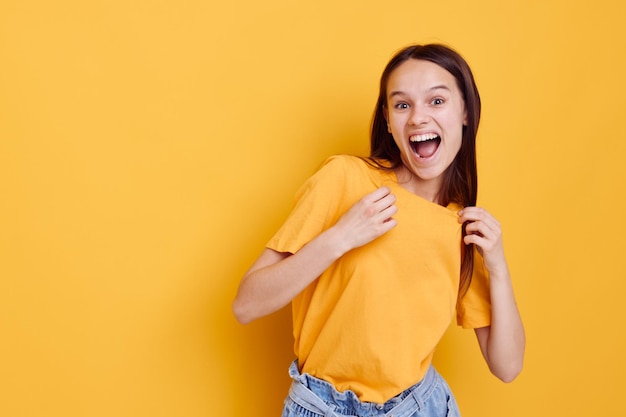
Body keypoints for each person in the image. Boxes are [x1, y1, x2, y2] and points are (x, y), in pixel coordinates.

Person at [232, 43, 525, 417]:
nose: (418, 118)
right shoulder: (345, 179)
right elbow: (246, 305)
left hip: (419, 407)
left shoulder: (460, 228)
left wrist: (498, 266)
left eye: (436, 101)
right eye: (402, 105)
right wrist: (340, 237)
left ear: (465, 111)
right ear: (388, 119)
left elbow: (508, 366)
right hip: (321, 407)